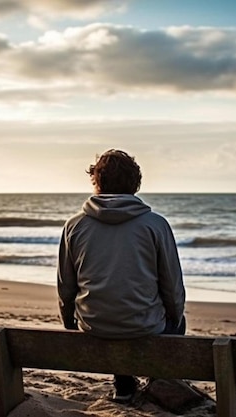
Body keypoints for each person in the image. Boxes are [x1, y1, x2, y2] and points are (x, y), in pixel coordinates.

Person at [57, 149, 186, 403]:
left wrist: (68, 323)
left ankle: (124, 384)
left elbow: (66, 286)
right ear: (135, 184)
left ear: (97, 182)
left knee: (112, 307)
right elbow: (172, 287)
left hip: (94, 325)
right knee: (176, 320)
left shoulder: (74, 226)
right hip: (145, 326)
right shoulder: (155, 225)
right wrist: (175, 316)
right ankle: (156, 379)